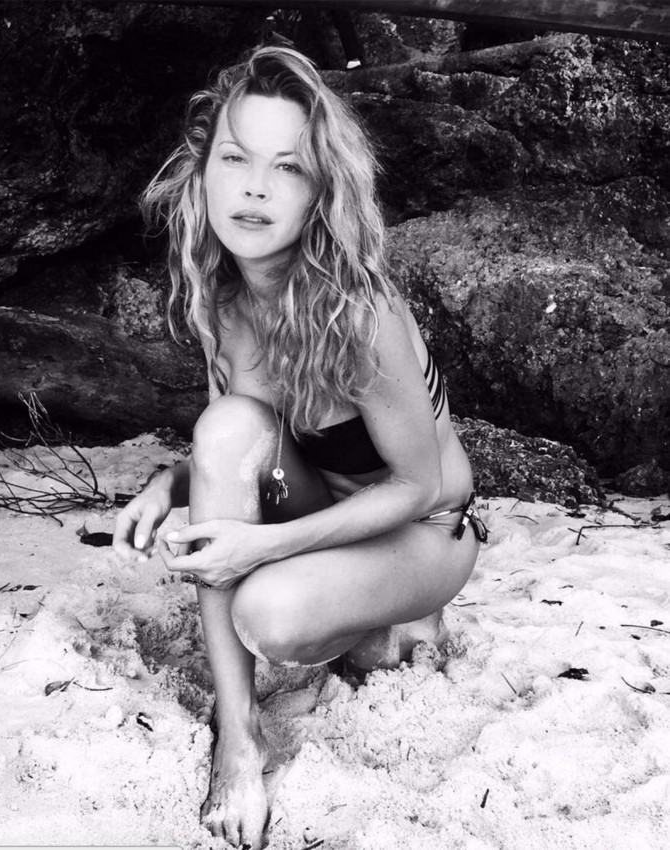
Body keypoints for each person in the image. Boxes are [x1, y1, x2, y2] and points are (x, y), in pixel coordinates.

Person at [113, 45, 485, 850]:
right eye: (236, 158)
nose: (254, 187)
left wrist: (265, 545)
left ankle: (394, 615)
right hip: (323, 503)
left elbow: (419, 487)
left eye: (287, 167)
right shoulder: (226, 301)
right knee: (224, 426)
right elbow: (237, 447)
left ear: (322, 192)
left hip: (426, 529)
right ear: (202, 170)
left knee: (270, 612)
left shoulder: (359, 312)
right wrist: (167, 485)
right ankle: (237, 734)